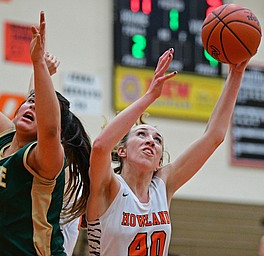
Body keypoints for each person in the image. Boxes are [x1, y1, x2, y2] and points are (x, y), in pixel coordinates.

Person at [0, 11, 91, 256]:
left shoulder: (45, 158)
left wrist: (39, 64)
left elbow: (50, 128)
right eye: (29, 100)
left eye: (38, 104)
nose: (32, 105)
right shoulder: (3, 137)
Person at [86, 48, 248, 255]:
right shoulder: (108, 185)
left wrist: (236, 74)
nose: (151, 141)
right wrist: (150, 95)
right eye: (141, 134)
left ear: (159, 162)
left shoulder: (163, 185)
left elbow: (214, 136)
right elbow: (100, 147)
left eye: (157, 139)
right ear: (122, 151)